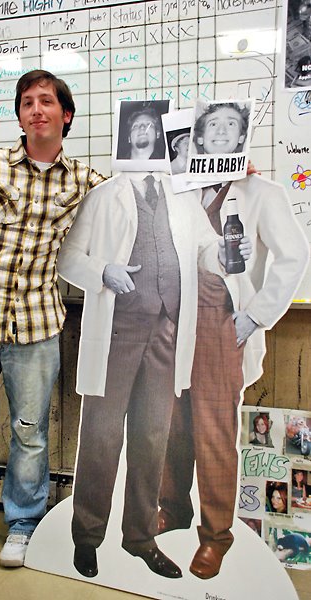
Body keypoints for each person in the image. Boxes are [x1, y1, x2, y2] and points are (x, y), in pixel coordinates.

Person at [57, 144, 251, 579]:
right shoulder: (104, 195)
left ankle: (141, 538)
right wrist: (103, 271)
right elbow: (68, 258)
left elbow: (205, 249)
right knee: (102, 439)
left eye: (154, 131)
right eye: (140, 129)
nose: (147, 137)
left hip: (167, 334)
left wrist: (222, 255)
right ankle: (87, 537)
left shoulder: (181, 196)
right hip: (117, 333)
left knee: (151, 439)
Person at [0, 69, 105, 571]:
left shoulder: (86, 181)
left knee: (30, 434)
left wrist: (222, 177)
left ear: (65, 115)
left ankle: (24, 525)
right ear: (19, 115)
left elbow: (142, 199)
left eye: (46, 101)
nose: (36, 109)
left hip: (36, 328)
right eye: (27, 102)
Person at [159, 169, 309, 578]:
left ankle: (215, 535)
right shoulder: (176, 186)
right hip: (172, 320)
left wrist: (255, 315)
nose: (213, 142)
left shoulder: (260, 191)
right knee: (170, 423)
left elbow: (295, 254)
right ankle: (172, 509)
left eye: (224, 136)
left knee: (213, 431)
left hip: (220, 320)